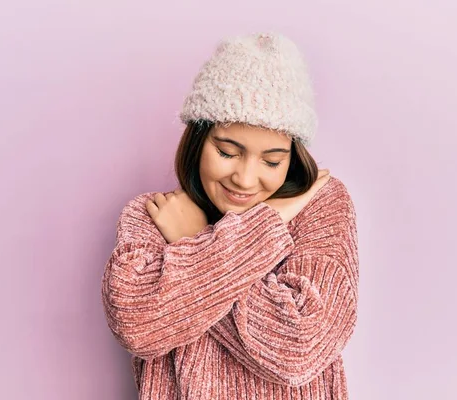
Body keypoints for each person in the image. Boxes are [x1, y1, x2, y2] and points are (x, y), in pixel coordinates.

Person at [101, 32, 359, 400]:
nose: (245, 178)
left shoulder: (317, 207)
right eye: (227, 152)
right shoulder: (152, 216)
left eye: (271, 160)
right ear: (198, 141)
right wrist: (262, 228)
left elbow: (300, 347)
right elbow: (136, 324)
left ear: (291, 156)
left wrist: (192, 241)